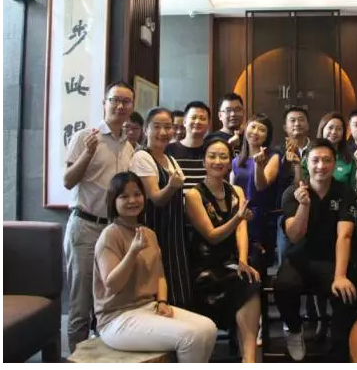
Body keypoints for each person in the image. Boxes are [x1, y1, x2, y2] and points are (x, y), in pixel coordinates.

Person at [94, 172, 217, 363]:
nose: (132, 200)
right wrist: (133, 252)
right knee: (190, 337)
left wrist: (162, 301)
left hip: (148, 308)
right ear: (113, 201)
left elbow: (159, 275)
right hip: (117, 318)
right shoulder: (110, 235)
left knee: (209, 328)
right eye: (124, 196)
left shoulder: (148, 234)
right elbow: (112, 285)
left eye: (137, 194)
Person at [62, 81, 136, 352]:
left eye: (126, 101)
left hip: (114, 231)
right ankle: (76, 360)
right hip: (86, 226)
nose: (120, 106)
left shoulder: (129, 146)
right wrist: (88, 153)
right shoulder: (85, 137)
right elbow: (68, 181)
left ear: (132, 107)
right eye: (115, 100)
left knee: (107, 303)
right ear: (104, 103)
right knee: (80, 305)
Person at [275, 139, 357, 362]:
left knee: (347, 294)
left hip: (332, 259)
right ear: (306, 162)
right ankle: (295, 331)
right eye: (315, 160)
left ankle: (340, 353)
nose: (321, 166)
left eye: (326, 160)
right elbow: (294, 235)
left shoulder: (344, 192)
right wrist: (304, 206)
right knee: (283, 286)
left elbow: (345, 235)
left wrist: (340, 276)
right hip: (300, 257)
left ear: (334, 163)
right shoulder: (292, 193)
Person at [185, 137, 261, 363]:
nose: (218, 161)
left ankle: (249, 359)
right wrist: (237, 218)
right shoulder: (194, 195)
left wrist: (243, 260)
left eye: (223, 157)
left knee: (249, 280)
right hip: (204, 265)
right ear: (204, 161)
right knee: (240, 285)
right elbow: (212, 235)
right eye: (212, 156)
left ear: (230, 162)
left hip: (231, 261)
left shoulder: (236, 190)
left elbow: (242, 230)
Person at [129, 107, 192, 308]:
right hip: (155, 231)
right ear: (146, 129)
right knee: (157, 290)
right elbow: (156, 198)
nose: (163, 132)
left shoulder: (170, 159)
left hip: (174, 232)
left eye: (168, 127)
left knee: (177, 290)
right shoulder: (142, 157)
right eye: (157, 127)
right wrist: (171, 186)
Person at [231, 114, 281, 269]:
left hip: (261, 219)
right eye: (253, 127)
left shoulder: (273, 157)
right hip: (239, 217)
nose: (255, 132)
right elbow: (231, 190)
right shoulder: (236, 160)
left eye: (262, 129)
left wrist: (258, 165)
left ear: (267, 136)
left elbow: (261, 186)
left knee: (258, 265)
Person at [275, 106, 311, 264]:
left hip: (312, 209)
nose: (297, 123)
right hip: (286, 211)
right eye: (292, 120)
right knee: (285, 257)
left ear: (308, 124)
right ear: (285, 127)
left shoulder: (317, 149)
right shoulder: (277, 152)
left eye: (301, 120)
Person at [166, 101, 211, 195]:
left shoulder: (212, 150)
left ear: (208, 124)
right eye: (193, 117)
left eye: (203, 119)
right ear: (185, 122)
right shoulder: (168, 150)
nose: (197, 121)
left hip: (206, 203)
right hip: (178, 203)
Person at [315, 112, 357, 190]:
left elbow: (354, 188)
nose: (334, 132)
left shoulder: (349, 159)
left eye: (339, 129)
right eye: (330, 128)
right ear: (322, 129)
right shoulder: (310, 155)